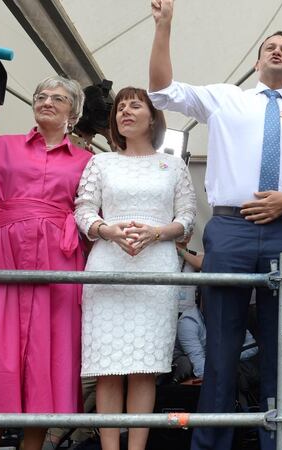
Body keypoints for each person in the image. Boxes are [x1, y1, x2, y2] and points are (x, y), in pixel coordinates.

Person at [147, 1, 282, 448]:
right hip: (229, 228)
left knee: (279, 345)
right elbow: (161, 91)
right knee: (222, 343)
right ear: (257, 60)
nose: (276, 51)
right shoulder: (225, 97)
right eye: (269, 46)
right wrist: (165, 25)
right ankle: (212, 443)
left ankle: (276, 442)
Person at [0, 75, 91, 450]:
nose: (47, 101)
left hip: (59, 263)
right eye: (41, 96)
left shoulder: (89, 161)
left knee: (46, 356)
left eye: (58, 98)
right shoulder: (2, 147)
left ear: (74, 113)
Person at [74, 86, 197, 450]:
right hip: (107, 265)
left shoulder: (173, 165)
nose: (125, 111)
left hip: (156, 267)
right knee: (107, 369)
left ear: (153, 116)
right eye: (120, 107)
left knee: (145, 368)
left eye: (135, 104)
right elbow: (83, 209)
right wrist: (107, 230)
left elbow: (187, 218)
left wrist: (158, 231)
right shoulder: (100, 162)